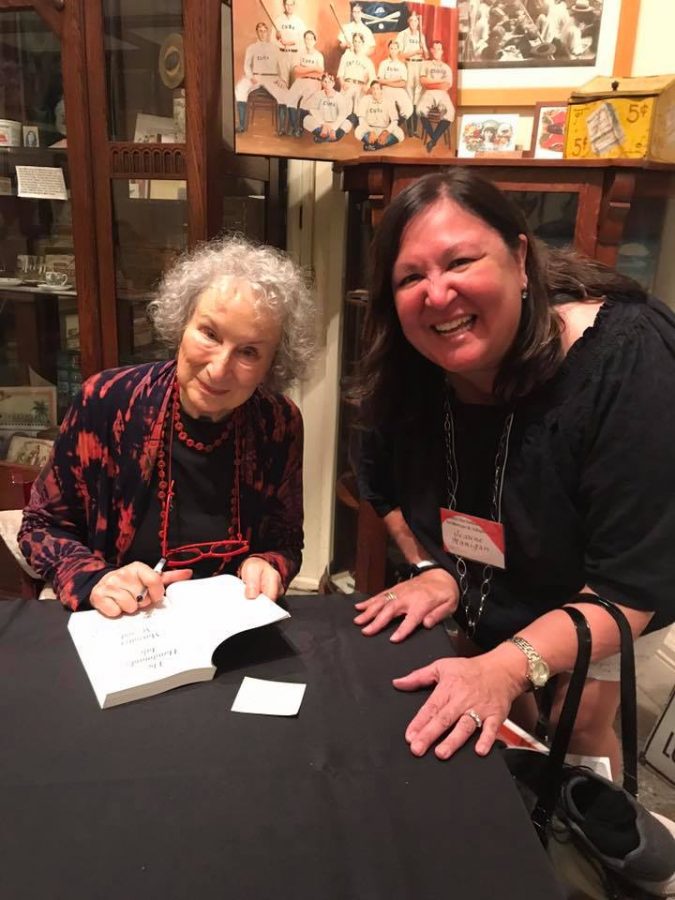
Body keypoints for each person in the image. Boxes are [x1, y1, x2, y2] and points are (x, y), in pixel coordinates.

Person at [353, 170, 675, 775]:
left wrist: (509, 665)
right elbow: (377, 480)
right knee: (498, 708)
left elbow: (626, 588)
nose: (437, 293)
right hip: (501, 569)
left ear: (520, 257)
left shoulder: (627, 360)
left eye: (460, 261)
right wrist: (429, 566)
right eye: (411, 277)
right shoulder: (406, 369)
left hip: (608, 584)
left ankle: (611, 860)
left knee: (573, 716)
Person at [20, 237, 317, 616]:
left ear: (272, 364)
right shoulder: (107, 401)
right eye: (209, 334)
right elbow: (41, 525)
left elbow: (285, 540)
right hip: (125, 623)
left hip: (230, 626)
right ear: (182, 323)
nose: (219, 369)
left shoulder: (279, 423)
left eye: (249, 352)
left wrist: (269, 564)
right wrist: (93, 578)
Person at [234, 22, 288, 135]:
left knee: (283, 92)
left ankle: (282, 129)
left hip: (271, 77)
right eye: (260, 31)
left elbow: (283, 65)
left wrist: (283, 79)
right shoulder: (251, 48)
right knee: (239, 88)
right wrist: (251, 77)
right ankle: (242, 125)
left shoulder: (275, 48)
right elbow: (246, 65)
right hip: (256, 76)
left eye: (264, 31)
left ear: (267, 32)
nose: (262, 33)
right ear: (257, 32)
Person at [417, 41, 455, 153]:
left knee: (450, 112)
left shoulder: (446, 68)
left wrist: (432, 82)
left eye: (439, 49)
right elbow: (424, 82)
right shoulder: (426, 64)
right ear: (432, 50)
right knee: (420, 110)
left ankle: (432, 140)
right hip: (429, 92)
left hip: (443, 93)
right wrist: (439, 81)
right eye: (435, 49)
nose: (437, 51)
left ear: (442, 51)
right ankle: (434, 139)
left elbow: (447, 85)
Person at [286, 30, 325, 137]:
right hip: (300, 81)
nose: (308, 41)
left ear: (315, 41)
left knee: (305, 103)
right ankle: (294, 127)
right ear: (304, 40)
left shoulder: (319, 55)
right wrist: (313, 69)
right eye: (306, 38)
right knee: (290, 99)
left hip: (314, 82)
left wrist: (304, 69)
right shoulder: (299, 53)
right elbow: (296, 71)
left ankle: (300, 129)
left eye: (311, 38)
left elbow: (320, 73)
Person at [336, 31, 376, 123]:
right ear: (352, 43)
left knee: (360, 114)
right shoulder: (346, 56)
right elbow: (340, 74)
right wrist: (342, 84)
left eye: (359, 42)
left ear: (362, 43)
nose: (357, 43)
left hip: (360, 87)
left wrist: (367, 86)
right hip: (348, 85)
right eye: (355, 41)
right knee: (342, 113)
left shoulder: (366, 60)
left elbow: (373, 77)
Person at [377, 40, 413, 136]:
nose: (393, 51)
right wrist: (395, 79)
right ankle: (387, 129)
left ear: (398, 50)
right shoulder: (384, 63)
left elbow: (403, 83)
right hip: (386, 90)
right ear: (388, 50)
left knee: (408, 108)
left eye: (395, 48)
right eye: (391, 48)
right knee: (389, 108)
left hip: (399, 90)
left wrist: (388, 81)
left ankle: (392, 128)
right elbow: (380, 80)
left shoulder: (401, 65)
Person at [354, 81, 404, 152]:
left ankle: (373, 146)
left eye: (377, 88)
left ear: (381, 90)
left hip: (384, 129)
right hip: (369, 128)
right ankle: (379, 145)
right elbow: (361, 120)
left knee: (400, 134)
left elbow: (395, 120)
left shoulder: (388, 101)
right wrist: (370, 131)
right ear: (371, 90)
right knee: (358, 131)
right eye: (373, 89)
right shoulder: (365, 99)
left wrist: (386, 132)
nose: (375, 91)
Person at [303, 73, 352, 143]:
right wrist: (323, 124)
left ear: (333, 83)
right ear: (322, 83)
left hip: (335, 123)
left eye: (329, 82)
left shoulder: (339, 97)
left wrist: (333, 128)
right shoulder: (318, 94)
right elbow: (313, 109)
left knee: (347, 123)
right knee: (307, 119)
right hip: (321, 124)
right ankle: (328, 138)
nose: (327, 84)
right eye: (325, 82)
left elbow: (342, 114)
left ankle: (322, 138)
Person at [397, 10, 429, 113]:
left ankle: (415, 117)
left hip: (420, 64)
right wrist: (415, 51)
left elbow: (427, 55)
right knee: (409, 90)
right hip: (409, 64)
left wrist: (423, 49)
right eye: (411, 20)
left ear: (418, 22)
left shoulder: (421, 35)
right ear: (408, 21)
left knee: (419, 91)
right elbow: (400, 54)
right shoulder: (403, 34)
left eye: (416, 20)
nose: (414, 23)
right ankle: (409, 116)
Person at [273, 0, 308, 86]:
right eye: (287, 4)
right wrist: (277, 38)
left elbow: (303, 40)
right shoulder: (278, 20)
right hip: (282, 54)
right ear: (284, 5)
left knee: (295, 85)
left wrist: (289, 42)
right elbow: (272, 41)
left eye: (291, 4)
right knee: (282, 84)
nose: (289, 7)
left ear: (294, 5)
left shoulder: (299, 22)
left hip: (295, 56)